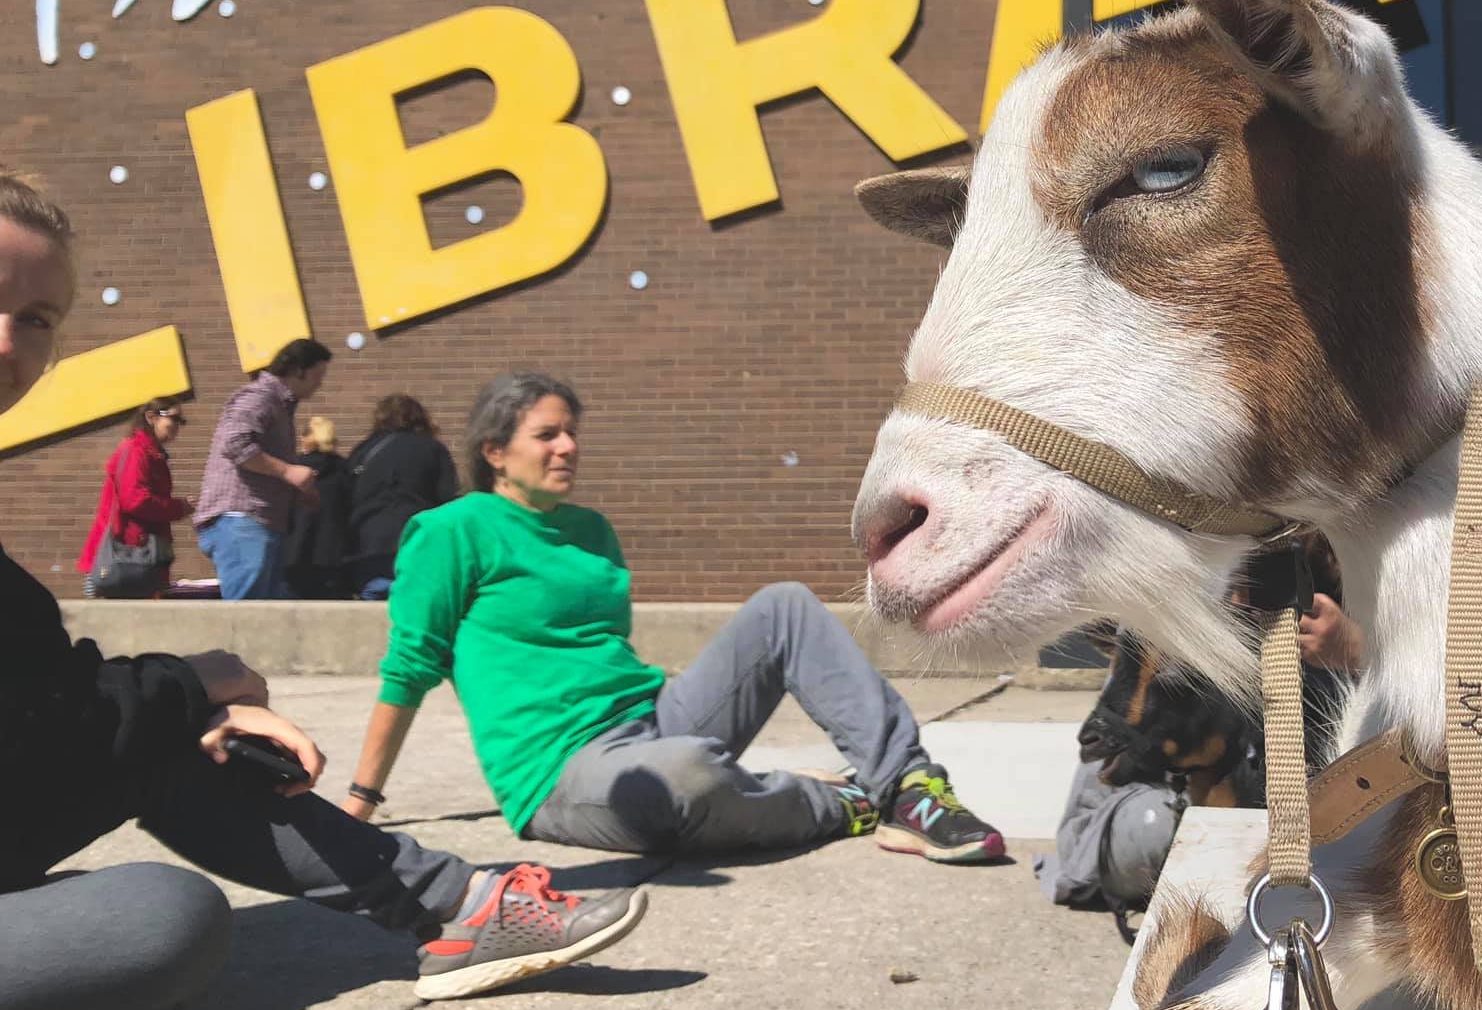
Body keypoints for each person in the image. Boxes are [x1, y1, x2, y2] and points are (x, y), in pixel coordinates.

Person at [0, 172, 648, 1010]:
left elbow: (34, 695)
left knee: (176, 768)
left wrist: (186, 707)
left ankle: (456, 905)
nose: (8, 342)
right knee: (158, 921)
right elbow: (35, 734)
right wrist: (192, 683)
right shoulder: (435, 513)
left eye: (36, 319)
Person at [342, 370, 1006, 865]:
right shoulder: (451, 530)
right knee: (686, 776)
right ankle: (848, 804)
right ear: (494, 452)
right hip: (560, 770)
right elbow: (409, 667)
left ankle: (908, 788)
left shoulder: (589, 529)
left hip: (656, 719)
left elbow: (601, 651)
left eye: (572, 432)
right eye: (547, 435)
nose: (568, 446)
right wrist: (360, 801)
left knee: (784, 606)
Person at [1038, 541, 1360, 916]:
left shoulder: (1357, 578)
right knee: (1163, 827)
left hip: (1306, 803)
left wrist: (1353, 647)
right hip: (1148, 804)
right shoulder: (1181, 589)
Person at [193, 337, 334, 601]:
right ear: (297, 370)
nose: (320, 383)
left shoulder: (277, 405)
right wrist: (288, 472)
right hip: (242, 518)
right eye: (318, 375)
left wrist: (295, 492)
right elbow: (234, 443)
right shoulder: (260, 397)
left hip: (257, 522)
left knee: (262, 616)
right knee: (248, 617)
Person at [343, 393, 458, 600]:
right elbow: (447, 499)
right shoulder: (432, 449)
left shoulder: (363, 450)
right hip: (417, 539)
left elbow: (346, 495)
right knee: (415, 602)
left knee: (373, 597)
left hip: (368, 540)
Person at [77, 398, 194, 597]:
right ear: (151, 417)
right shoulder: (136, 450)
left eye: (180, 421)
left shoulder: (151, 454)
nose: (177, 426)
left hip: (136, 557)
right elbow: (135, 500)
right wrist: (178, 508)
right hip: (126, 555)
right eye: (173, 419)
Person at [282, 415, 354, 600]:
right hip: (334, 556)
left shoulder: (292, 470)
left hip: (294, 553)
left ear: (306, 439)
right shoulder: (344, 470)